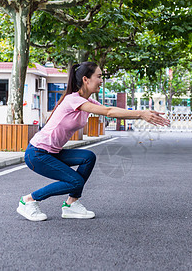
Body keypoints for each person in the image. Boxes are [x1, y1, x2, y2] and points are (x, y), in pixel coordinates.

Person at [17, 62, 170, 221]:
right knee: (75, 182)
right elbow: (109, 111)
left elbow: (112, 112)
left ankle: (71, 204)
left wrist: (143, 113)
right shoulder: (73, 100)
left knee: (88, 157)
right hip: (37, 154)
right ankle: (29, 200)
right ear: (86, 79)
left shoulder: (86, 102)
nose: (101, 80)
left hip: (52, 153)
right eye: (99, 76)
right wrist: (140, 114)